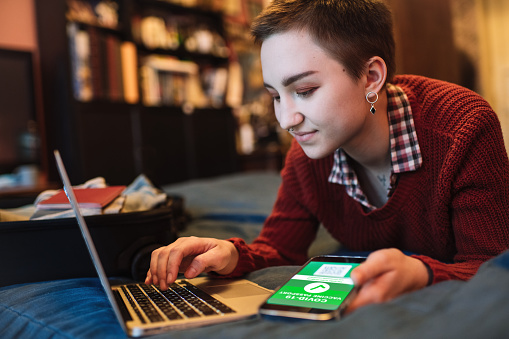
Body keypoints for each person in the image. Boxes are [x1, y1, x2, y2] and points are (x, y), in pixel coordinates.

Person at [146, 0, 509, 313]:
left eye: (304, 90)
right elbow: (278, 249)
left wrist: (423, 272)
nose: (286, 120)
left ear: (370, 76)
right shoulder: (305, 155)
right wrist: (230, 254)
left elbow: (493, 264)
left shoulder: (462, 127)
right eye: (275, 95)